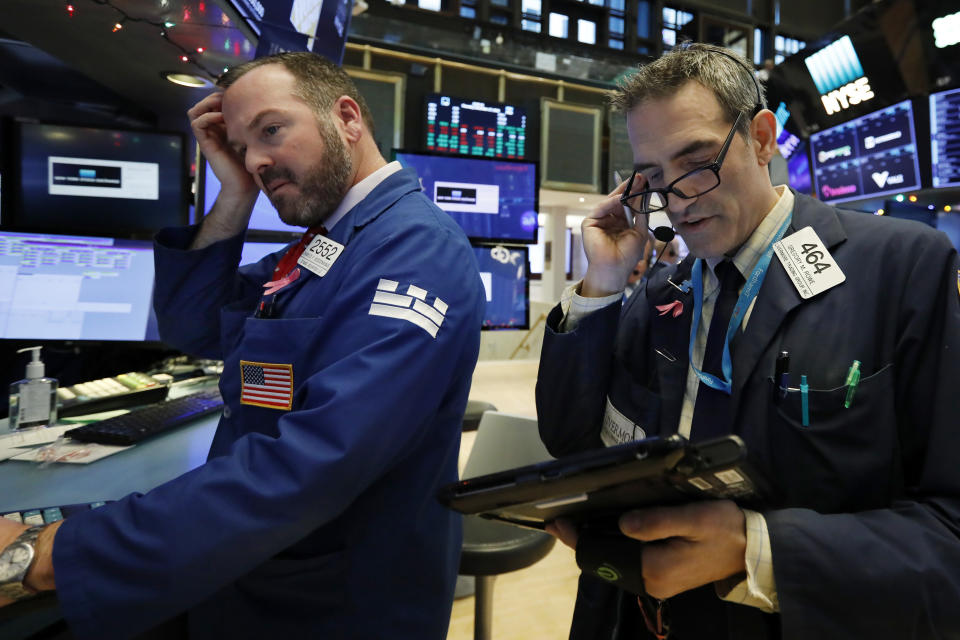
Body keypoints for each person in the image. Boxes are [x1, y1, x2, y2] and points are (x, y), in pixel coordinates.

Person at [0, 52, 485, 638]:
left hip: (334, 602)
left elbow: (314, 463)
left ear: (348, 119)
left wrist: (52, 553)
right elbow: (192, 326)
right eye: (240, 146)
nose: (255, 159)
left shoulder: (414, 250)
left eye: (271, 130)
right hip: (258, 571)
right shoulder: (325, 243)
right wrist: (232, 195)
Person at [536, 42, 960, 639]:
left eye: (697, 160)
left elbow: (948, 529)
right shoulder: (665, 289)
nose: (678, 199)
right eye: (654, 176)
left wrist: (755, 550)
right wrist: (602, 282)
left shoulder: (900, 270)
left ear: (762, 138)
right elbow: (570, 438)